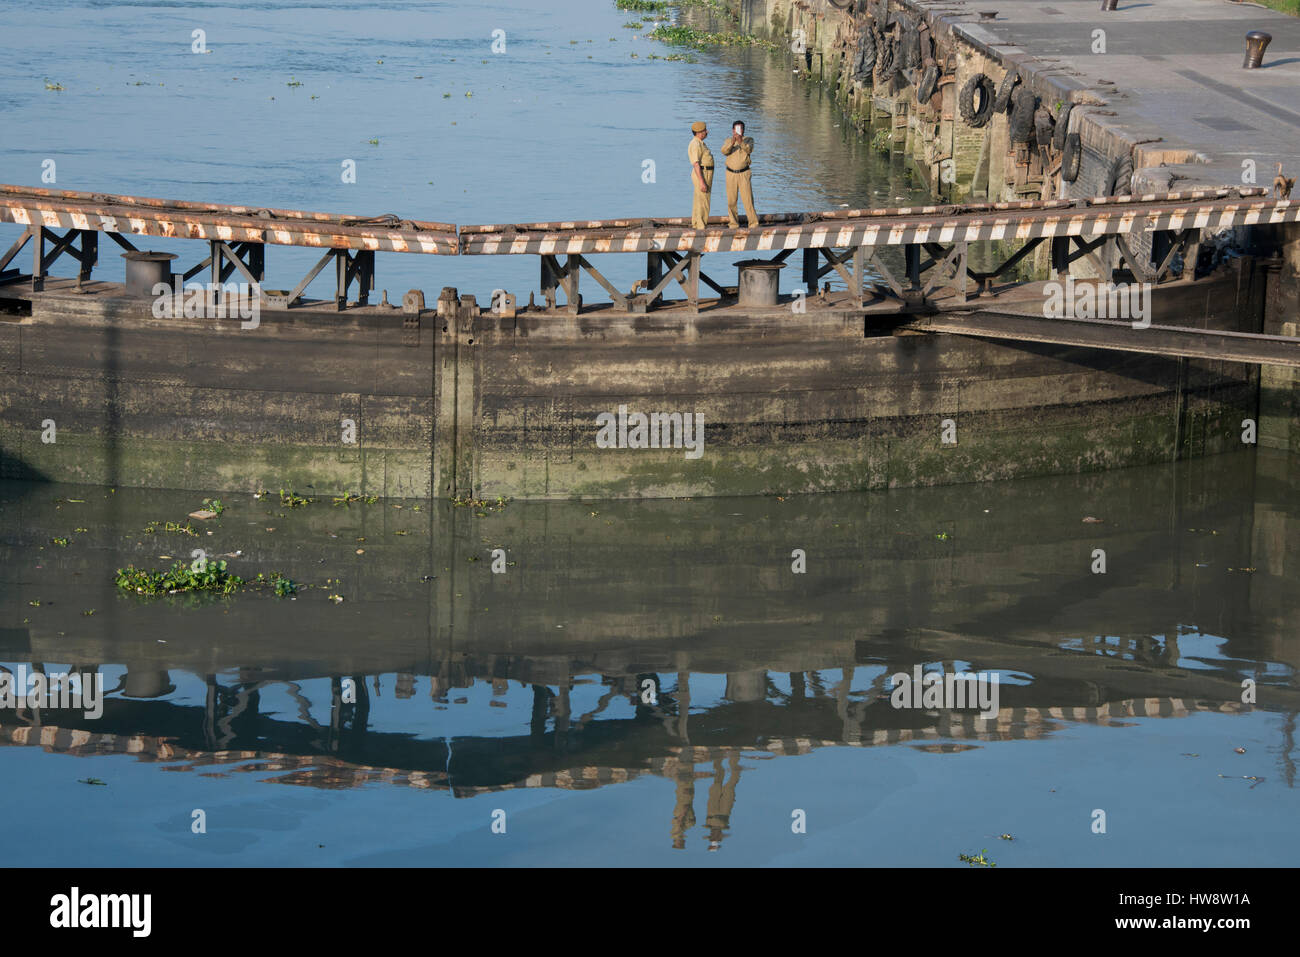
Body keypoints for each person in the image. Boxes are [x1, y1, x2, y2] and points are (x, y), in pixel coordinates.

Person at [721, 120, 758, 228]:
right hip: (730, 173)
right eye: (736, 129)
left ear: (743, 130)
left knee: (748, 200)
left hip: (744, 173)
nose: (738, 131)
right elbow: (724, 151)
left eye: (740, 128)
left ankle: (753, 223)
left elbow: (749, 150)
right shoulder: (728, 140)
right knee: (731, 200)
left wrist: (741, 141)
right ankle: (733, 223)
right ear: (733, 130)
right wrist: (733, 142)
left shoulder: (749, 140)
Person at [688, 121, 713, 229]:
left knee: (699, 199)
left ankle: (696, 223)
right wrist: (702, 181)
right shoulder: (696, 144)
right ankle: (701, 225)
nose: (707, 132)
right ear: (698, 132)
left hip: (703, 173)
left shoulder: (699, 143)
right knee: (704, 200)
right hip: (702, 173)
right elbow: (696, 163)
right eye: (704, 130)